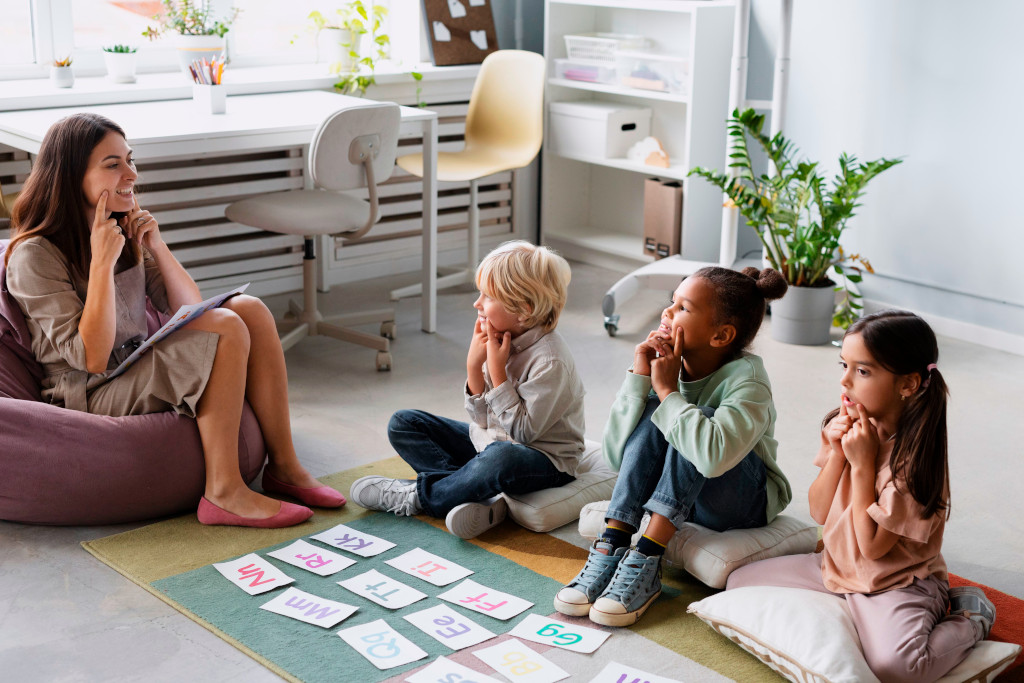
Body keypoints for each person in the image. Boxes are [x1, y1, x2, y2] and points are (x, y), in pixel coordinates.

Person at [4, 113, 345, 529]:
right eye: (113, 165)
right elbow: (89, 356)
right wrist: (101, 265)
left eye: (130, 160)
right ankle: (224, 491)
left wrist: (156, 247)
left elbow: (189, 310)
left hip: (136, 362)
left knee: (248, 311)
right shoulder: (34, 255)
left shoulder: (120, 228)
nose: (131, 173)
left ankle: (285, 468)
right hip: (89, 388)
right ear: (71, 176)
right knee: (227, 328)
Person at [727, 310, 995, 682]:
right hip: (834, 568)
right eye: (844, 365)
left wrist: (864, 464)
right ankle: (849, 605)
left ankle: (970, 618)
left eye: (863, 371)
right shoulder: (845, 424)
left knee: (898, 669)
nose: (844, 380)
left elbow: (872, 549)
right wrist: (838, 451)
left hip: (894, 582)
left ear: (908, 384)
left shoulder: (915, 466)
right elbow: (819, 511)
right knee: (737, 583)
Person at [555, 266, 791, 627]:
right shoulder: (665, 365)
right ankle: (613, 541)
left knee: (694, 417)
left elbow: (712, 460)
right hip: (685, 499)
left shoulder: (749, 380)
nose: (667, 313)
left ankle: (648, 554)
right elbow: (617, 458)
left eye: (683, 308)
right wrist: (640, 378)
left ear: (721, 335)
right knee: (658, 410)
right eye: (672, 302)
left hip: (742, 502)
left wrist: (668, 393)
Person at [349, 240, 585, 539]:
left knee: (501, 458)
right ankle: (464, 493)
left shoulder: (550, 361)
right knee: (405, 423)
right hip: (491, 443)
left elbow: (523, 435)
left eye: (487, 296)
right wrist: (474, 367)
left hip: (543, 460)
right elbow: (481, 421)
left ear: (523, 310)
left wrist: (497, 374)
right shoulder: (501, 337)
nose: (477, 303)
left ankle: (421, 498)